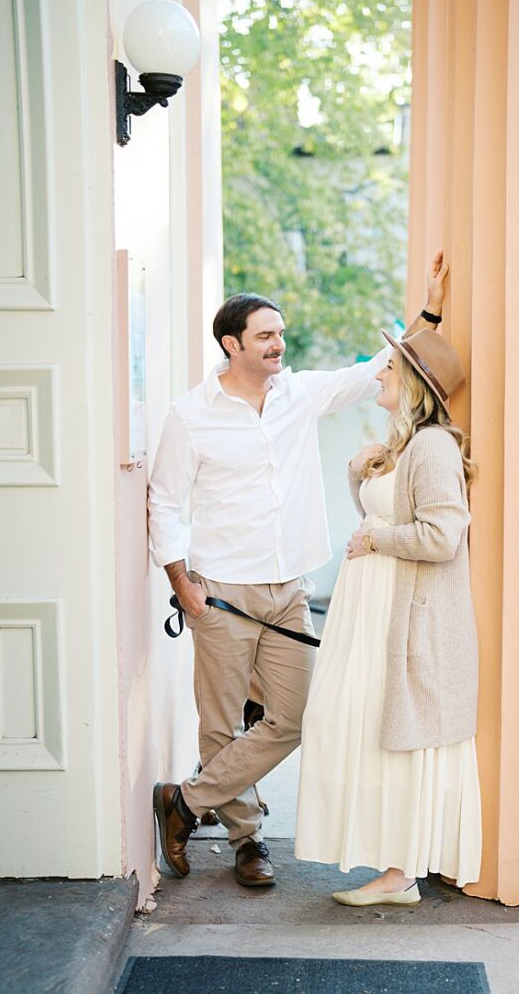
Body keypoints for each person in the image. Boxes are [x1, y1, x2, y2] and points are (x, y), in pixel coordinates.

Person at [148, 254, 449, 888]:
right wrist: (183, 583)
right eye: (265, 335)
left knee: (297, 715)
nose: (279, 343)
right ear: (231, 344)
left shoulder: (299, 394)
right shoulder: (189, 415)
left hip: (288, 591)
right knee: (221, 724)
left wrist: (429, 307)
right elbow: (166, 502)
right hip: (221, 590)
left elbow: (377, 371)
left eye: (281, 332)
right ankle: (248, 841)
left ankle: (185, 802)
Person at [294, 314, 481, 906]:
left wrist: (377, 542)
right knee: (344, 723)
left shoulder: (433, 447)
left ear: (416, 383)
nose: (380, 376)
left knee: (389, 735)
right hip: (372, 616)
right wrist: (359, 476)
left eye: (390, 369)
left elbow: (442, 536)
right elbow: (379, 519)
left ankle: (400, 875)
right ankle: (388, 865)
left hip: (405, 620)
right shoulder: (404, 445)